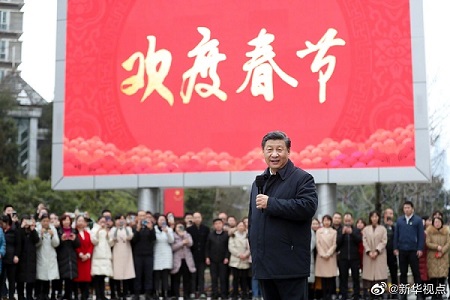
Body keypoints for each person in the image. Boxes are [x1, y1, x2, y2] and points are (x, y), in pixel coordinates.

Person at [248, 131, 318, 300]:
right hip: (265, 266)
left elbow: (308, 207)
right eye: (269, 149)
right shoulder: (259, 182)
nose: (274, 154)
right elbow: (252, 221)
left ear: (288, 151)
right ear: (263, 152)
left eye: (279, 149)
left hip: (289, 266)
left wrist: (271, 203)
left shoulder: (302, 178)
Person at [393, 201, 424, 300]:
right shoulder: (399, 220)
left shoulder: (418, 220)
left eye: (408, 207)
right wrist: (395, 247)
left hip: (413, 250)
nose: (406, 209)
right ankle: (403, 294)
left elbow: (421, 236)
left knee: (416, 273)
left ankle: (419, 294)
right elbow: (396, 235)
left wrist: (420, 248)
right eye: (405, 208)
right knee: (403, 273)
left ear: (412, 208)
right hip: (402, 250)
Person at [361, 211, 387, 299]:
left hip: (379, 255)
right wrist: (369, 251)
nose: (374, 218)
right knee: (369, 276)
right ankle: (369, 295)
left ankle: (380, 295)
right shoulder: (366, 229)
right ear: (370, 218)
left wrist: (377, 251)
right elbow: (364, 241)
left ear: (379, 218)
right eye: (373, 217)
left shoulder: (383, 229)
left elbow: (384, 241)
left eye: (376, 216)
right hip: (369, 256)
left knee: (379, 276)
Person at [336, 213, 362, 300]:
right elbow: (337, 243)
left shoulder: (356, 230)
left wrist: (352, 233)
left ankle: (356, 295)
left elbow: (359, 240)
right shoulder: (340, 230)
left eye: (349, 220)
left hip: (354, 258)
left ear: (352, 221)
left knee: (356, 278)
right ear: (344, 221)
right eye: (346, 220)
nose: (347, 222)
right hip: (343, 258)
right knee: (343, 278)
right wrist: (343, 234)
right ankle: (344, 296)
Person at [131, 211, 155, 300]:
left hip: (148, 254)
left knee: (148, 275)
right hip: (138, 255)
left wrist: (151, 229)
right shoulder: (134, 227)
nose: (142, 217)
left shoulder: (150, 226)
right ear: (137, 217)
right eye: (140, 216)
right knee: (138, 275)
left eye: (143, 216)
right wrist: (137, 229)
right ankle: (137, 293)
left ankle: (148, 293)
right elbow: (133, 241)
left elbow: (153, 239)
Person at [35, 214, 60, 300]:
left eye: (47, 221)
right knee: (40, 276)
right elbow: (36, 244)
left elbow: (56, 244)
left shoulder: (53, 229)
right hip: (41, 255)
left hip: (50, 256)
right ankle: (39, 294)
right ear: (41, 221)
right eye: (44, 221)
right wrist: (40, 236)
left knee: (49, 276)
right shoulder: (37, 229)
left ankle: (46, 294)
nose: (45, 223)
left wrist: (53, 235)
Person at [57, 214, 80, 300]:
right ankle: (59, 293)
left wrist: (74, 239)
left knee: (70, 277)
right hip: (62, 256)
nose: (66, 222)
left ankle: (69, 294)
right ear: (61, 222)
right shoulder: (58, 230)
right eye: (64, 220)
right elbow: (56, 245)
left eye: (68, 220)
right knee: (61, 276)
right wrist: (61, 240)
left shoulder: (74, 231)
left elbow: (78, 244)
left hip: (71, 256)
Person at [186, 212, 210, 299]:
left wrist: (207, 256)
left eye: (198, 217)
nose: (197, 219)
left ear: (201, 218)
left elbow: (207, 243)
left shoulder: (206, 229)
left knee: (201, 275)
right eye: (195, 217)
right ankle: (193, 291)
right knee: (193, 275)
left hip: (202, 255)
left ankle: (202, 291)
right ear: (192, 218)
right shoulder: (189, 229)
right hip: (192, 255)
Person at [111, 215, 135, 300]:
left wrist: (125, 227)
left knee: (126, 274)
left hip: (126, 253)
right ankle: (118, 293)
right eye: (118, 219)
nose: (120, 221)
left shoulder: (128, 229)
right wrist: (117, 228)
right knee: (117, 274)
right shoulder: (113, 229)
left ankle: (125, 293)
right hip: (117, 252)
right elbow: (112, 238)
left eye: (122, 219)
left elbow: (130, 237)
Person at [425, 217, 449, 300]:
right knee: (433, 278)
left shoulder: (446, 232)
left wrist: (442, 250)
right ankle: (434, 295)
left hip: (443, 257)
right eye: (435, 222)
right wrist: (436, 247)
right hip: (432, 257)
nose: (437, 223)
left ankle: (440, 295)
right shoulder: (429, 231)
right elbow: (427, 243)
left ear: (441, 223)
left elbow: (448, 243)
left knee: (442, 277)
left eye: (439, 222)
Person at [16, 215, 40, 300]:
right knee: (20, 279)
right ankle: (20, 296)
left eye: (28, 221)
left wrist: (33, 230)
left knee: (30, 279)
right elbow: (18, 240)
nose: (26, 223)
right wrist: (22, 228)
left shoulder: (33, 231)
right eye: (24, 221)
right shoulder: (19, 231)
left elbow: (37, 240)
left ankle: (29, 295)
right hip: (21, 258)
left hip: (31, 258)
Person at [205, 218, 229, 300]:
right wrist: (207, 257)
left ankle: (223, 294)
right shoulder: (210, 235)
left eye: (219, 223)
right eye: (216, 223)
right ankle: (214, 294)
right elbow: (207, 247)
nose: (218, 225)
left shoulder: (226, 235)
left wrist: (226, 257)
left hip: (223, 260)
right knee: (214, 278)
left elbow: (227, 248)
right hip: (213, 260)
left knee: (223, 278)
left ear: (222, 224)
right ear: (214, 225)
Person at [90, 216, 114, 300]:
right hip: (97, 256)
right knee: (97, 277)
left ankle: (102, 295)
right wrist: (98, 232)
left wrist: (107, 234)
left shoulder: (107, 230)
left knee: (103, 277)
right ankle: (98, 295)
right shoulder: (94, 230)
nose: (103, 223)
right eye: (101, 221)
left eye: (104, 222)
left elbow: (111, 243)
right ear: (98, 222)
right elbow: (94, 241)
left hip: (106, 256)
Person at [171, 222, 196, 299]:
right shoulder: (173, 236)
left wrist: (184, 236)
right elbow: (173, 247)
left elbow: (190, 243)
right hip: (177, 260)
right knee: (176, 279)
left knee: (187, 279)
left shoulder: (187, 235)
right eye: (178, 227)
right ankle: (176, 295)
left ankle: (186, 295)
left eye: (181, 227)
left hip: (186, 260)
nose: (179, 229)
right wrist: (182, 243)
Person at [315, 215, 337, 300]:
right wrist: (323, 254)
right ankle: (324, 295)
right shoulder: (318, 231)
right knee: (323, 278)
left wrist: (328, 253)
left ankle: (330, 295)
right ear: (322, 221)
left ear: (331, 222)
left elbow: (334, 244)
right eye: (325, 220)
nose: (326, 222)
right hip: (321, 257)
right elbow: (318, 243)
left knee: (331, 278)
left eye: (328, 220)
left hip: (330, 257)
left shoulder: (334, 231)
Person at [153, 214, 174, 300]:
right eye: (160, 220)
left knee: (165, 276)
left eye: (163, 220)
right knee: (157, 276)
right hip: (157, 253)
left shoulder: (169, 229)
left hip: (166, 254)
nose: (162, 221)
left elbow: (171, 240)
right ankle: (157, 293)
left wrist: (167, 232)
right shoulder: (154, 229)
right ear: (157, 221)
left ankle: (165, 293)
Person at [228, 220, 250, 300]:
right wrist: (239, 255)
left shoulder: (247, 235)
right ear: (237, 227)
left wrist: (245, 254)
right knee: (235, 279)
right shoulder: (233, 235)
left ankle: (244, 294)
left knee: (244, 279)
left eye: (242, 226)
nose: (241, 227)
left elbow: (250, 247)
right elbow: (231, 247)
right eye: (239, 225)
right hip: (235, 260)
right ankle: (235, 294)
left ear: (244, 227)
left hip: (245, 260)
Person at [73, 216, 93, 300]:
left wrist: (88, 254)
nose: (81, 222)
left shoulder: (88, 233)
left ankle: (85, 296)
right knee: (77, 279)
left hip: (87, 259)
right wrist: (80, 254)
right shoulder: (74, 233)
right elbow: (75, 245)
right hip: (78, 259)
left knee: (86, 279)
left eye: (83, 221)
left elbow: (91, 245)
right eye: (79, 221)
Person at [1, 215, 20, 300]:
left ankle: (11, 296)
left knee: (11, 279)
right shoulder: (1, 231)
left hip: (11, 258)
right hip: (2, 258)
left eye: (2, 223)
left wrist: (16, 255)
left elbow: (18, 244)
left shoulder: (14, 231)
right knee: (1, 279)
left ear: (7, 222)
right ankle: (3, 294)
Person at [383, 208, 398, 287]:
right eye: (388, 213)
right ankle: (382, 292)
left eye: (391, 214)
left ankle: (394, 292)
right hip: (382, 252)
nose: (390, 215)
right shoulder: (381, 226)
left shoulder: (395, 226)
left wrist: (392, 226)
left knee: (394, 273)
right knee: (382, 273)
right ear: (385, 215)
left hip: (392, 252)